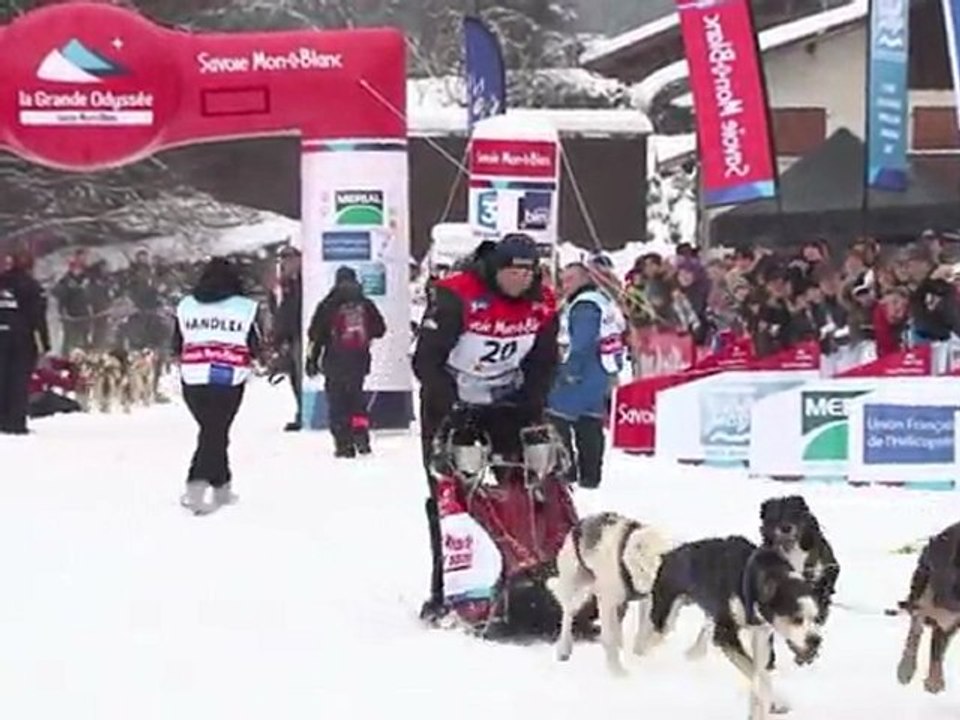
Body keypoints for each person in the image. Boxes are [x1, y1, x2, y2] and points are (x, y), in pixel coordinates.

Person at [412, 232, 559, 622]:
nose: (518, 280)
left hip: (507, 404)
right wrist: (451, 407)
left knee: (528, 485)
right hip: (450, 402)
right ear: (495, 269)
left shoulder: (542, 303)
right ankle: (446, 588)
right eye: (510, 272)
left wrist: (532, 403)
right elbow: (425, 361)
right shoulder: (457, 295)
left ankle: (531, 573)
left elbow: (543, 361)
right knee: (451, 494)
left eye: (526, 273)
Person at [172, 257, 261, 515]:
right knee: (216, 430)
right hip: (228, 375)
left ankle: (222, 486)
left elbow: (176, 344)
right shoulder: (246, 308)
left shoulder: (186, 306)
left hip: (193, 376)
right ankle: (195, 486)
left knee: (212, 430)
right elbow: (254, 343)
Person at [547, 263, 625, 489]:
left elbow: (581, 342)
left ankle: (566, 471)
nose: (565, 285)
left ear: (583, 279)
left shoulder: (584, 306)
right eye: (563, 280)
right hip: (600, 369)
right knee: (590, 421)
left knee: (556, 417)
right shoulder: (601, 299)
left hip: (582, 371)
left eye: (570, 279)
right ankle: (591, 475)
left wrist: (569, 370)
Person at [305, 266, 386, 457]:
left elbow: (315, 335)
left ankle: (344, 445)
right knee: (357, 401)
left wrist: (312, 360)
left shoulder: (329, 304)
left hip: (334, 361)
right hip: (359, 361)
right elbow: (380, 329)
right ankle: (361, 438)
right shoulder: (365, 303)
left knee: (338, 404)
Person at [0, 249, 51, 434]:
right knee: (18, 381)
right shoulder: (32, 287)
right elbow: (38, 317)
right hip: (21, 340)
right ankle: (14, 422)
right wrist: (45, 345)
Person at [270, 246, 303, 432]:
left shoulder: (303, 282)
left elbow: (291, 309)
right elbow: (278, 310)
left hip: (299, 332)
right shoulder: (282, 284)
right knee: (293, 374)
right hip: (287, 334)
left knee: (300, 373)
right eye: (282, 258)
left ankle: (304, 411)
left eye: (289, 258)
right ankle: (301, 410)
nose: (285, 262)